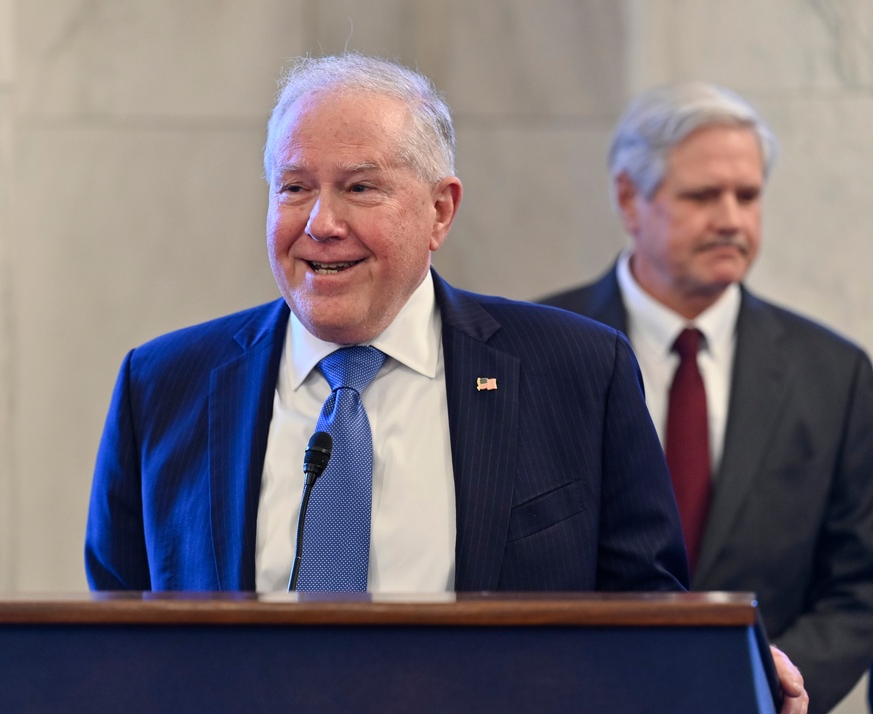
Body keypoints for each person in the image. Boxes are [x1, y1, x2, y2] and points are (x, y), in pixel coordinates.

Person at [85, 55, 806, 711]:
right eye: (293, 187)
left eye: (360, 187)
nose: (320, 223)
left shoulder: (577, 372)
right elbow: (118, 633)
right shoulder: (165, 384)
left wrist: (728, 671)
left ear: (439, 210)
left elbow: (646, 612)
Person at [538, 82, 873, 714]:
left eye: (747, 196)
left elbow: (860, 588)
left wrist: (760, 685)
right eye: (702, 196)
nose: (730, 219)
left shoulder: (834, 372)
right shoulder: (533, 350)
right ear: (628, 199)